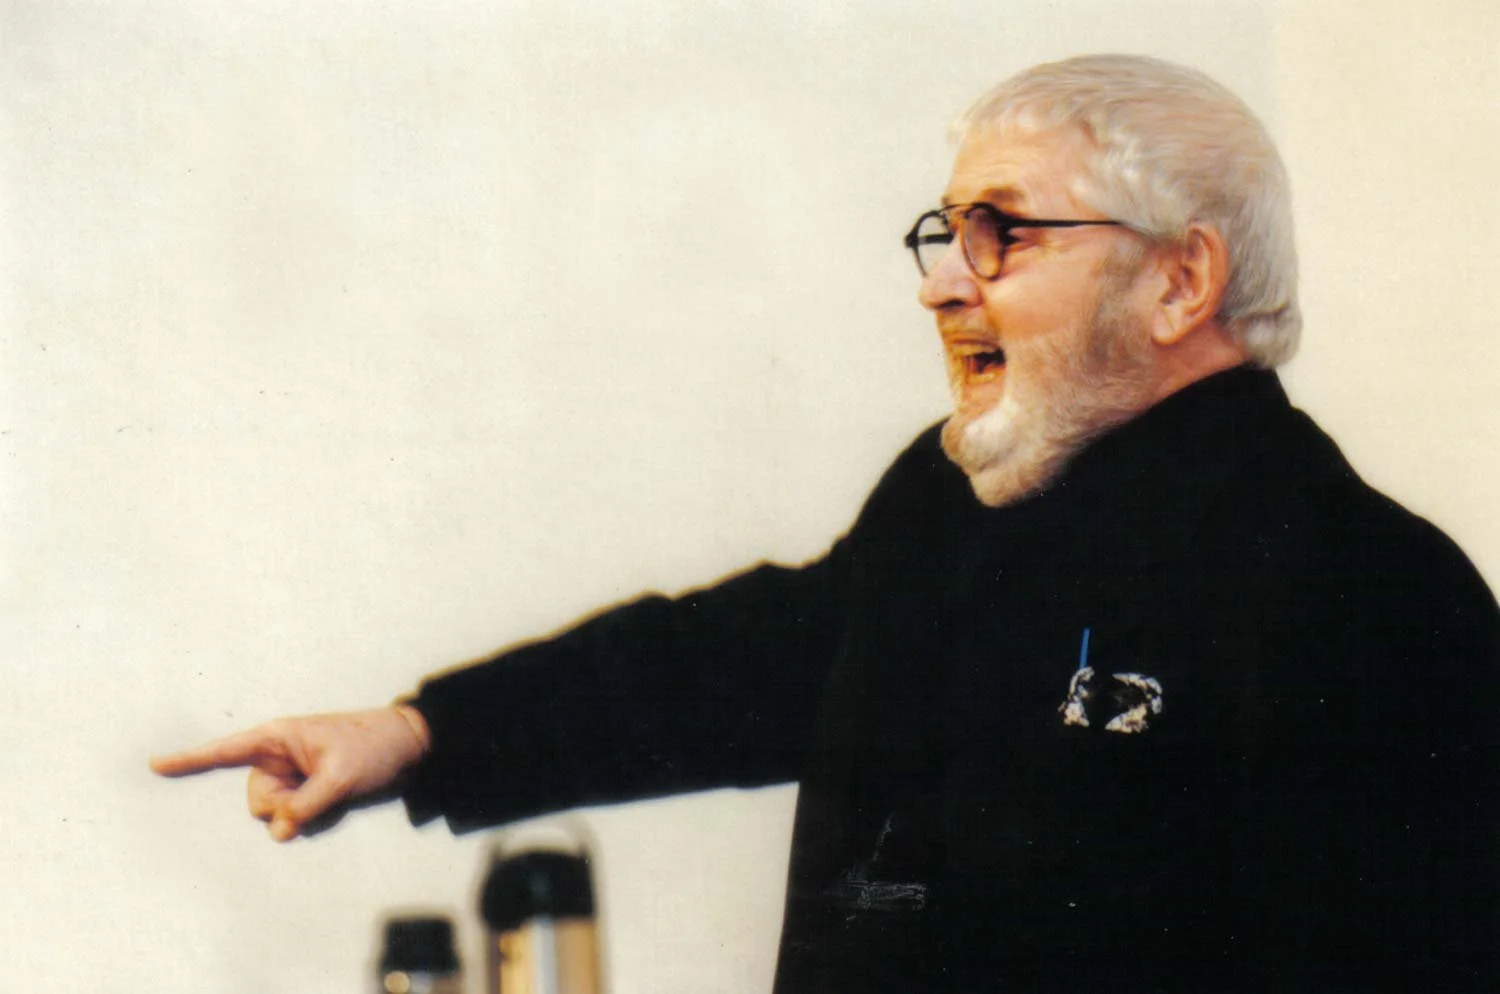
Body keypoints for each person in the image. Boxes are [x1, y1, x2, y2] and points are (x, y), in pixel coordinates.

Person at [151, 54, 1498, 992]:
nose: (941, 288)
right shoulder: (949, 500)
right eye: (944, 231)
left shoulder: (1371, 595)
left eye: (1004, 234)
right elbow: (739, 660)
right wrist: (423, 733)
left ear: (1181, 277)